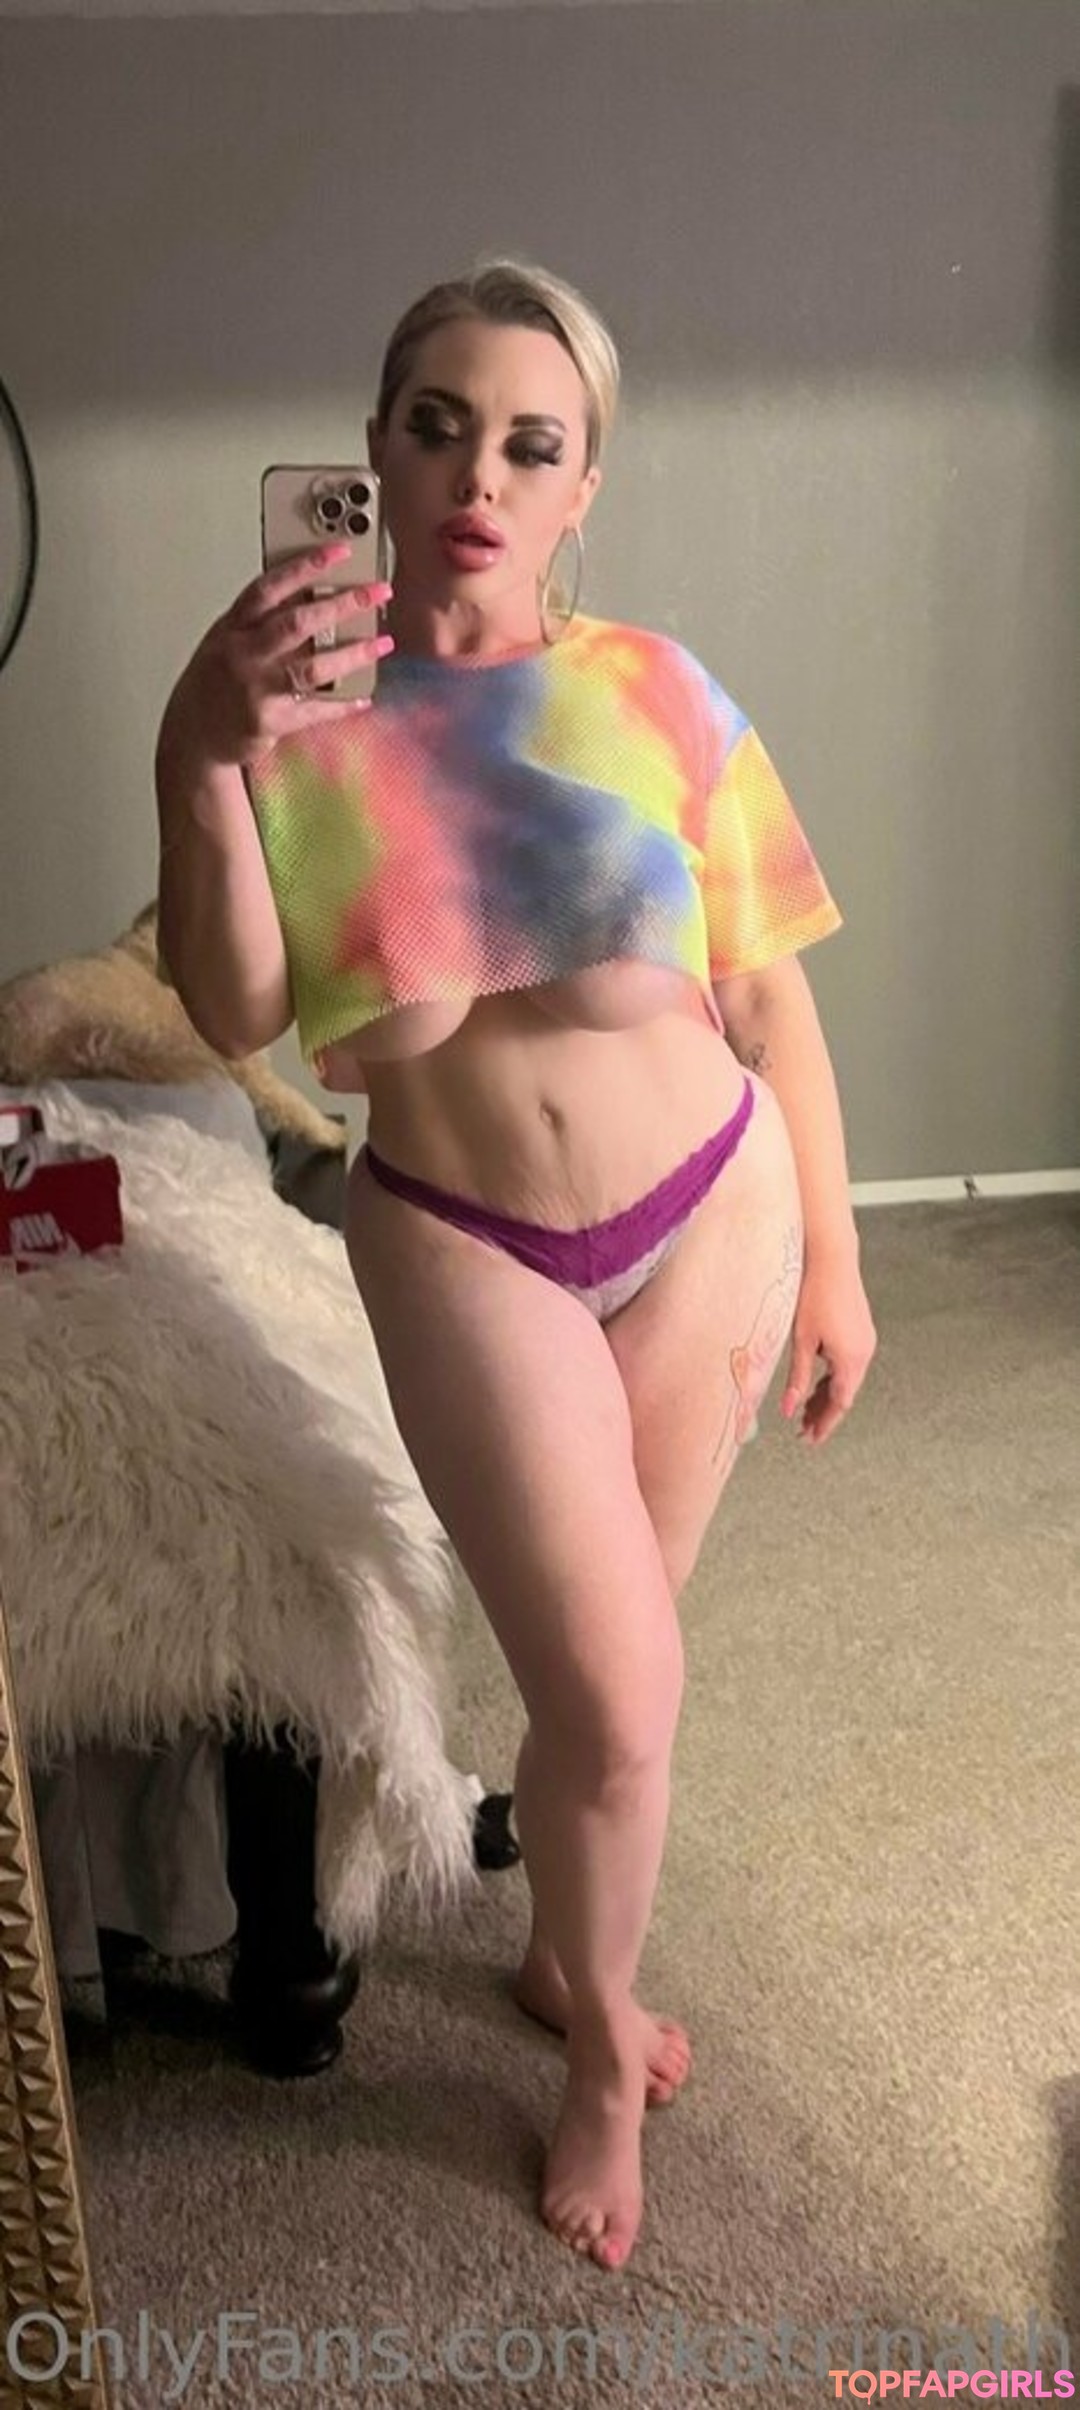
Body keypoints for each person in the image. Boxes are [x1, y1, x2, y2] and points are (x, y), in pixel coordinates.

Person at [155, 257, 877, 2274]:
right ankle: (596, 2053)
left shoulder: (658, 690)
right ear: (375, 455)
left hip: (711, 1210)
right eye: (438, 425)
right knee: (620, 1682)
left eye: (531, 443)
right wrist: (197, 746)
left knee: (605, 1685)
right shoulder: (295, 716)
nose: (481, 473)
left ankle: (569, 1951)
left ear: (581, 491)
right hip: (467, 1244)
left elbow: (769, 1001)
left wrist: (834, 1255)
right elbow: (232, 1006)